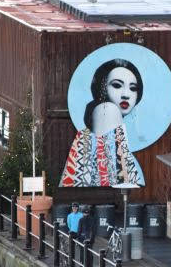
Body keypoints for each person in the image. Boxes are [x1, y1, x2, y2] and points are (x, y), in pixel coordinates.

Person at [60, 58, 145, 187]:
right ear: (102, 88)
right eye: (117, 85)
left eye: (133, 88)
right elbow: (113, 176)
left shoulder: (97, 114)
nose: (126, 94)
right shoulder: (108, 110)